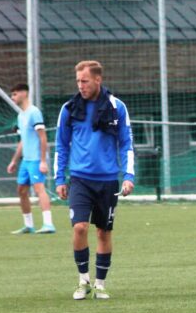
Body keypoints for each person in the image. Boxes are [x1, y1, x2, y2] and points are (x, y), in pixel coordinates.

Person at [54, 61, 135, 300]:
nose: (80, 85)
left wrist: (128, 176)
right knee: (80, 227)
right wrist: (60, 178)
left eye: (85, 81)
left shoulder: (117, 107)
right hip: (80, 179)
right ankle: (83, 281)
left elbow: (126, 144)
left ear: (98, 80)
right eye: (78, 81)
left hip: (108, 181)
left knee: (103, 232)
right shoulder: (69, 108)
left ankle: (100, 284)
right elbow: (61, 145)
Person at [7, 83, 55, 234]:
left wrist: (43, 161)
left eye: (15, 94)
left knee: (39, 188)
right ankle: (29, 225)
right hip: (26, 160)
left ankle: (48, 224)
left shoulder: (34, 112)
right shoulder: (20, 115)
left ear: (24, 93)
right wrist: (14, 160)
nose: (12, 97)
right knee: (21, 190)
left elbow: (43, 137)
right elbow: (23, 140)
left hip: (36, 159)